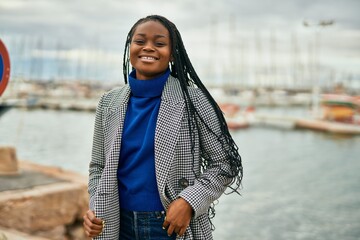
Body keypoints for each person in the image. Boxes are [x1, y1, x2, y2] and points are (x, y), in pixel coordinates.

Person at [83, 15, 243, 240]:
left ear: (172, 52)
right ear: (130, 47)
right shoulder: (109, 102)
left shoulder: (194, 100)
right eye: (140, 41)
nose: (148, 47)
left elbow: (226, 163)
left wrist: (189, 201)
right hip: (116, 223)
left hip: (171, 225)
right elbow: (98, 166)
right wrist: (95, 207)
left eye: (159, 43)